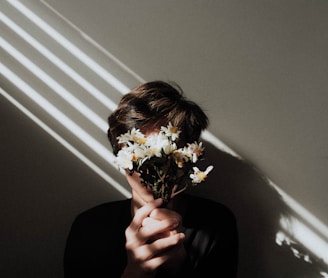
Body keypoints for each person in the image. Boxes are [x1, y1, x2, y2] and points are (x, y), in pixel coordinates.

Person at [64, 81, 238, 277]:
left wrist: (180, 268)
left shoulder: (215, 223)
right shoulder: (90, 228)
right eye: (139, 156)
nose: (152, 169)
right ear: (120, 157)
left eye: (166, 155)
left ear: (188, 157)